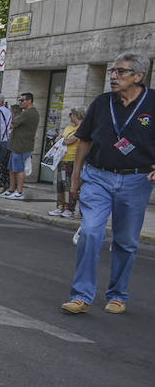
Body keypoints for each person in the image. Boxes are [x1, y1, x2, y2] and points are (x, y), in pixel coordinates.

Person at [61, 54, 154, 315]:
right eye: (113, 71)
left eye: (121, 72)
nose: (113, 76)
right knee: (90, 231)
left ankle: (117, 294)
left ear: (138, 76)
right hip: (98, 176)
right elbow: (85, 140)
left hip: (136, 179)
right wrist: (76, 175)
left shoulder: (153, 103)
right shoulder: (102, 103)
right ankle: (81, 295)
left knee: (125, 240)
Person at [49, 109, 84, 218]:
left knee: (70, 185)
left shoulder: (82, 127)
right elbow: (59, 139)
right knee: (61, 184)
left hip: (73, 159)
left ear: (76, 115)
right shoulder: (69, 127)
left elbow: (69, 140)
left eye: (71, 115)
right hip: (62, 158)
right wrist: (63, 138)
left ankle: (69, 208)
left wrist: (63, 139)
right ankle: (60, 206)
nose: (70, 117)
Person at [4, 92, 39, 200]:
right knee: (12, 168)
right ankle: (11, 189)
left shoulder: (28, 113)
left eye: (22, 100)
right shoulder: (30, 112)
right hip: (17, 144)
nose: (20, 102)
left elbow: (12, 125)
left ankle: (19, 191)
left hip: (21, 145)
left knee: (19, 169)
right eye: (20, 100)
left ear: (29, 101)